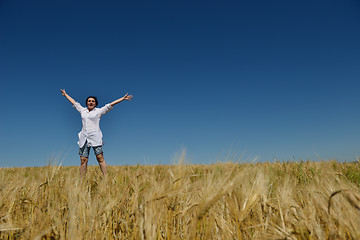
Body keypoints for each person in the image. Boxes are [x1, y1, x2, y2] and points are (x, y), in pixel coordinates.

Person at [60, 89, 133, 176]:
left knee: (100, 158)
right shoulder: (82, 110)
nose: (91, 102)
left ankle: (106, 178)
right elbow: (74, 103)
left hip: (95, 138)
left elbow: (110, 104)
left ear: (95, 103)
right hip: (84, 138)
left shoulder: (99, 111)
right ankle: (81, 181)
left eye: (93, 101)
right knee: (83, 160)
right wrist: (65, 94)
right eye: (89, 101)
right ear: (87, 103)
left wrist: (122, 99)